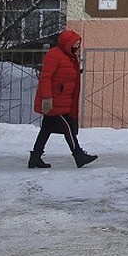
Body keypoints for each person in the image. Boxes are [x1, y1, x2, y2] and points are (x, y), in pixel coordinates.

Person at [29, 29, 98, 169]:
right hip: (55, 101)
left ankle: (35, 158)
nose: (77, 45)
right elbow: (46, 77)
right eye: (75, 43)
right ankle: (78, 155)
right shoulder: (54, 56)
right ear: (67, 43)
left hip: (64, 100)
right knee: (68, 129)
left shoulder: (70, 56)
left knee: (46, 129)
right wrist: (47, 99)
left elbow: (64, 74)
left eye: (78, 42)